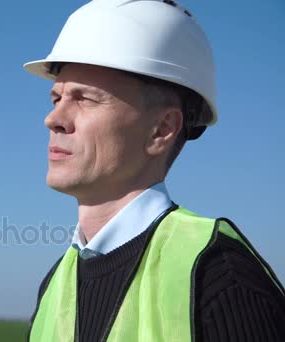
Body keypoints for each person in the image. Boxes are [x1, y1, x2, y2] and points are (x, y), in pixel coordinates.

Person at [22, 0, 285, 341]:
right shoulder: (56, 283)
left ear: (161, 130)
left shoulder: (220, 275)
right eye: (56, 98)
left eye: (84, 98)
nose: (53, 119)